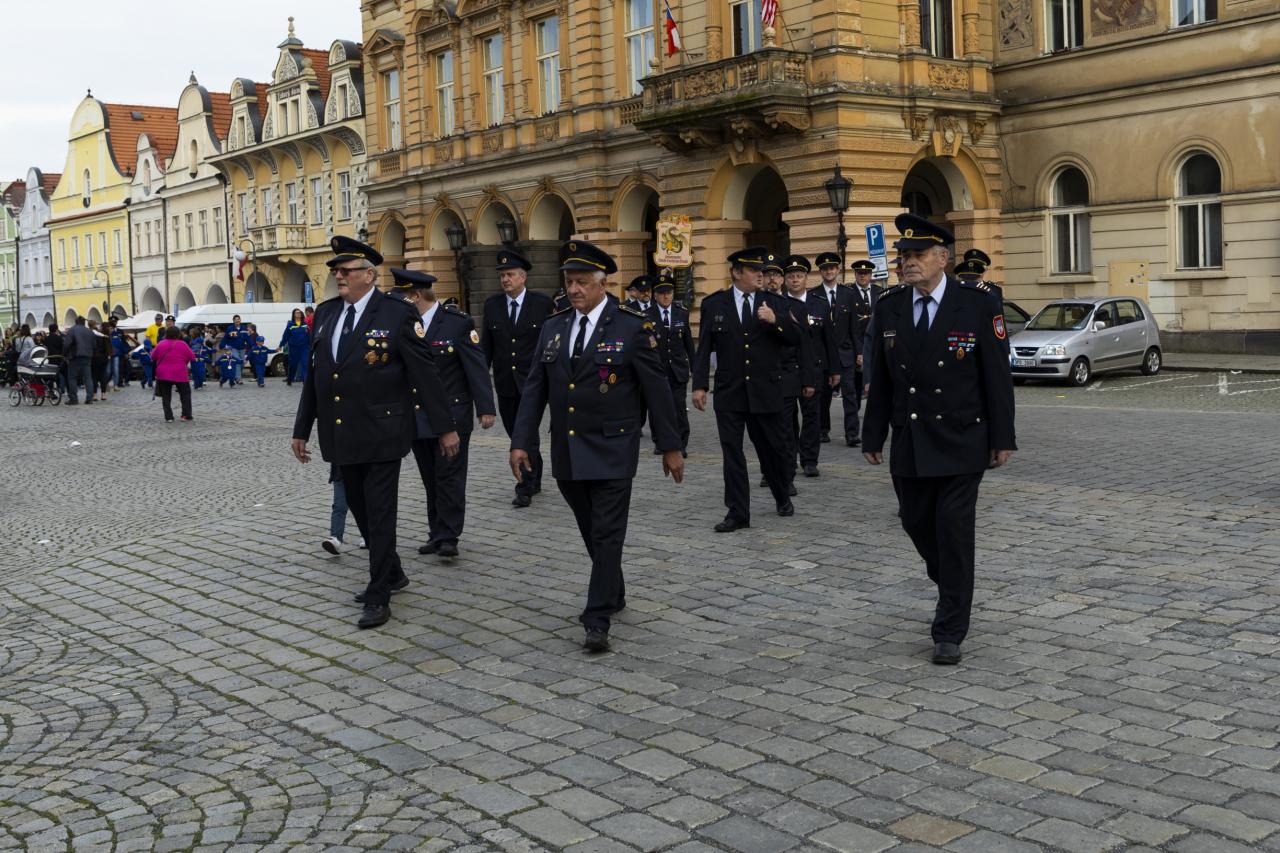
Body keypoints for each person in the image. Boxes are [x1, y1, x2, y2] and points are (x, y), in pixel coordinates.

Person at [510, 239, 683, 652]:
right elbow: (534, 388)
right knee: (591, 529)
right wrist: (521, 441)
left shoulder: (631, 326)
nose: (574, 289)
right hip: (568, 449)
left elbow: (657, 389)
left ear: (602, 284)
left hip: (612, 448)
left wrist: (670, 445)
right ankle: (613, 589)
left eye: (582, 282)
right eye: (569, 282)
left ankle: (597, 617)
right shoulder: (554, 326)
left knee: (607, 532)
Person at [862, 213, 1017, 666]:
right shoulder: (890, 305)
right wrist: (873, 434)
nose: (907, 262)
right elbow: (882, 378)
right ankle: (953, 581)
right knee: (914, 520)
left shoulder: (977, 304)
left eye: (917, 255)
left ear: (943, 258)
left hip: (962, 438)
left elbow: (996, 376)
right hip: (910, 438)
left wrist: (1003, 436)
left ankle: (949, 629)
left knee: (952, 528)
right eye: (904, 256)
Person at [292, 235, 459, 630]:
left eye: (346, 270)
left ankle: (379, 593)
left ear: (369, 275)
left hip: (384, 431)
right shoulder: (327, 313)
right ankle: (393, 571)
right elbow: (317, 377)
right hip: (341, 432)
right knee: (360, 507)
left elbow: (425, 374)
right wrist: (302, 429)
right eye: (336, 270)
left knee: (381, 513)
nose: (339, 276)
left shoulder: (396, 313)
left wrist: (445, 428)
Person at [692, 246, 801, 532]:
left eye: (761, 271)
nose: (760, 275)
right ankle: (738, 512)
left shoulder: (774, 302)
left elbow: (796, 338)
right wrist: (700, 384)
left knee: (772, 450)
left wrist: (775, 322)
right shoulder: (715, 304)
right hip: (730, 391)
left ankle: (781, 494)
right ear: (737, 273)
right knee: (732, 454)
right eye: (754, 270)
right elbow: (704, 347)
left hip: (765, 391)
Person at [394, 268, 497, 559]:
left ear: (415, 296)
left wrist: (486, 407)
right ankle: (436, 531)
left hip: (453, 414)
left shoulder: (457, 323)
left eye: (403, 296)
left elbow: (476, 367)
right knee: (431, 478)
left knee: (449, 476)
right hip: (418, 415)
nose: (398, 302)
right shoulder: (405, 325)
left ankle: (449, 534)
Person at [481, 250, 554, 508]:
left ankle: (525, 485)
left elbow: (551, 344)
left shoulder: (542, 304)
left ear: (523, 277)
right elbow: (486, 349)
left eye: (510, 274)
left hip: (533, 383)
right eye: (502, 275)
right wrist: (481, 388)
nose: (505, 279)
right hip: (505, 384)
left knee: (526, 434)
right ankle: (535, 472)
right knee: (517, 433)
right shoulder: (492, 305)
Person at [785, 256, 841, 478]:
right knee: (787, 419)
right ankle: (789, 459)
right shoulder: (779, 304)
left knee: (812, 417)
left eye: (799, 276)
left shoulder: (819, 303)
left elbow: (829, 340)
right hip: (788, 370)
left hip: (814, 369)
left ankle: (809, 460)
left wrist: (835, 370)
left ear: (806, 278)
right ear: (785, 280)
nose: (795, 280)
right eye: (791, 276)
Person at [810, 252, 863, 447]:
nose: (829, 271)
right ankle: (823, 430)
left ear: (838, 270)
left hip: (845, 353)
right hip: (823, 355)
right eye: (825, 268)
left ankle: (852, 433)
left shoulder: (848, 294)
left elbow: (854, 328)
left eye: (832, 268)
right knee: (823, 395)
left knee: (850, 395)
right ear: (820, 271)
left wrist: (859, 352)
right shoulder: (813, 295)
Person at [645, 270, 694, 455]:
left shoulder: (682, 313)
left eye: (669, 292)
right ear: (655, 295)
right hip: (657, 371)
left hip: (678, 371)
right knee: (658, 408)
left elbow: (689, 344)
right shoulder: (646, 315)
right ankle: (660, 442)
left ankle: (681, 444)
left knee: (679, 408)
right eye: (662, 293)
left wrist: (696, 368)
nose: (666, 296)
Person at [152, 326, 195, 422]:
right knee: (185, 394)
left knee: (166, 396)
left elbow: (153, 356)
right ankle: (186, 415)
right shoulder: (183, 344)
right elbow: (192, 357)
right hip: (180, 372)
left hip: (163, 373)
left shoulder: (161, 343)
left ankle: (168, 417)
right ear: (178, 334)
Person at [64, 317, 96, 406]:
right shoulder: (90, 331)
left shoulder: (72, 330)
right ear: (84, 322)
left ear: (76, 322)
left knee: (72, 378)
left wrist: (65, 354)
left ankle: (74, 399)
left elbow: (66, 344)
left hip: (75, 356)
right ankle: (89, 398)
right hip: (87, 357)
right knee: (88, 378)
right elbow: (94, 345)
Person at [281, 308, 310, 385]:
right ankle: (290, 379)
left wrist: (311, 345)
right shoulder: (290, 325)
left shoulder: (305, 324)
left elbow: (309, 335)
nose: (298, 313)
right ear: (294, 315)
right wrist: (281, 345)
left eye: (300, 312)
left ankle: (305, 381)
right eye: (297, 312)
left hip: (304, 347)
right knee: (293, 365)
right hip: (294, 348)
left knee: (305, 364)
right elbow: (285, 336)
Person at [219, 314, 249, 385]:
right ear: (233, 321)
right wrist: (222, 345)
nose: (237, 321)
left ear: (240, 320)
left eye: (238, 319)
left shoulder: (244, 328)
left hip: (242, 348)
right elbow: (226, 338)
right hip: (233, 348)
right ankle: (238, 379)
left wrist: (253, 345)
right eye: (235, 320)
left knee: (242, 363)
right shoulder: (230, 328)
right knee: (237, 362)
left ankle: (236, 376)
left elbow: (248, 338)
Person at [89, 320, 110, 401]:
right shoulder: (103, 335)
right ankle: (103, 394)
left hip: (94, 358)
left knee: (94, 376)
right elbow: (107, 346)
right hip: (104, 357)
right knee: (103, 376)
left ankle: (94, 395)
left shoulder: (90, 335)